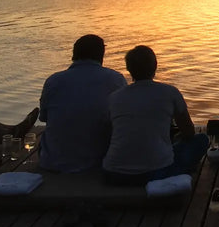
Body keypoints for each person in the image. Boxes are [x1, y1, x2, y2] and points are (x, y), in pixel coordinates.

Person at [102, 45, 208, 185]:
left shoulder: (114, 98)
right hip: (157, 172)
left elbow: (111, 133)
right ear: (155, 66)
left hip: (114, 174)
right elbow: (189, 132)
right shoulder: (170, 92)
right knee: (201, 140)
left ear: (128, 69)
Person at [38, 34, 127, 173]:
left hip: (53, 162)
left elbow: (43, 117)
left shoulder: (53, 81)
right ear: (101, 56)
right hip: (100, 161)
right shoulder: (116, 80)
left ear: (74, 54)